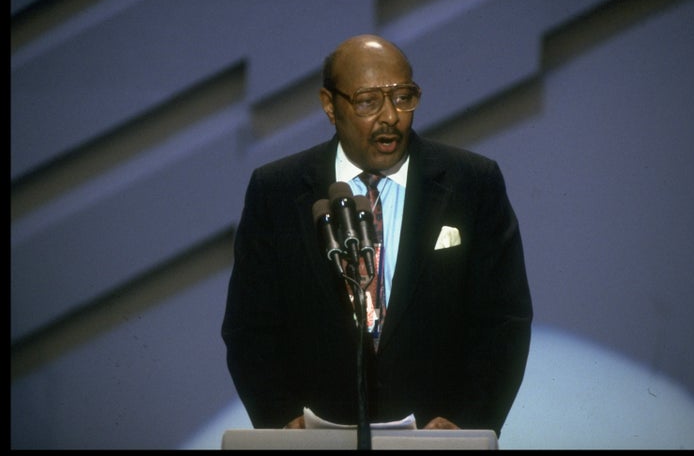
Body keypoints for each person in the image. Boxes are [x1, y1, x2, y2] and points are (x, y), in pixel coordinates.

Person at [221, 34, 532, 436]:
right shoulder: (276, 192)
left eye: (404, 97)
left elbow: (504, 320)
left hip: (436, 443)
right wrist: (282, 421)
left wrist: (467, 423)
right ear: (330, 105)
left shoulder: (472, 184)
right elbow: (250, 328)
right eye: (368, 101)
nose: (391, 117)